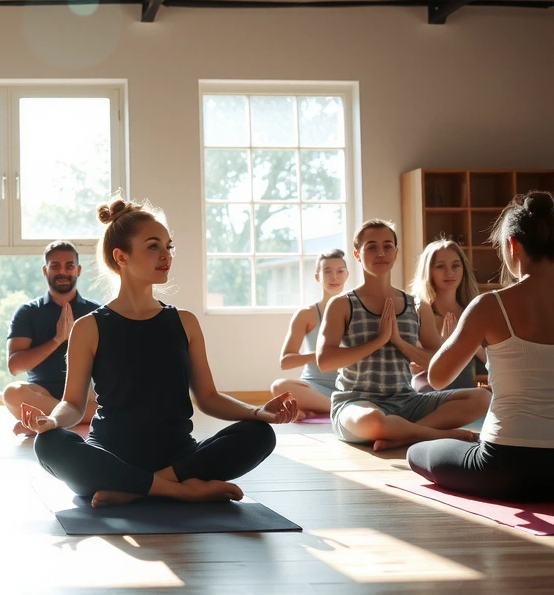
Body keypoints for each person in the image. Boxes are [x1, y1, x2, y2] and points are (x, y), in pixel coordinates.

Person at [25, 199, 298, 507]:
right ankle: (179, 490)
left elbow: (208, 397)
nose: (166, 255)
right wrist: (51, 420)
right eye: (153, 246)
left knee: (261, 435)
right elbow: (73, 404)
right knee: (48, 443)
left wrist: (259, 412)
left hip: (176, 456)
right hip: (110, 456)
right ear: (121, 256)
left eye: (169, 246)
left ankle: (137, 487)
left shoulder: (185, 322)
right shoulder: (89, 326)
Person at [407, 192, 554, 500]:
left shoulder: (489, 305)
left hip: (504, 466)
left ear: (513, 245)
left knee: (417, 452)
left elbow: (438, 378)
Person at [316, 220, 490, 451]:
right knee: (373, 421)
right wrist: (378, 340)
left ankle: (405, 434)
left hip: (407, 401)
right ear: (357, 254)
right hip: (355, 403)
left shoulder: (417, 305)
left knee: (481, 398)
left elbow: (437, 363)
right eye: (372, 247)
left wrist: (399, 342)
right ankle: (431, 434)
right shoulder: (342, 304)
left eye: (387, 246)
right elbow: (324, 361)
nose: (381, 253)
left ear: (396, 253)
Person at [2, 241, 100, 435]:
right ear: (45, 270)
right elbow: (15, 367)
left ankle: (45, 421)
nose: (62, 272)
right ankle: (61, 419)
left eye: (69, 266)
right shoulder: (28, 312)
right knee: (11, 393)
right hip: (40, 393)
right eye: (55, 266)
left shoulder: (95, 311)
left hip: (84, 395)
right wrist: (57, 339)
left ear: (78, 270)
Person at [270, 249, 350, 417]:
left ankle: (312, 409)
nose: (334, 277)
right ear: (317, 277)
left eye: (340, 271)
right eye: (327, 271)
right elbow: (285, 362)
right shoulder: (306, 314)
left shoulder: (358, 311)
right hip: (315, 387)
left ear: (347, 275)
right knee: (279, 387)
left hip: (349, 386)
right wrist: (320, 355)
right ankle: (340, 408)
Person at [409, 239, 483, 391]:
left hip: (465, 392)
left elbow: (490, 359)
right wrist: (443, 346)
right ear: (429, 271)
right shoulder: (417, 313)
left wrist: (463, 339)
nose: (449, 272)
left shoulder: (474, 312)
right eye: (440, 266)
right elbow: (412, 366)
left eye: (455, 265)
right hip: (428, 390)